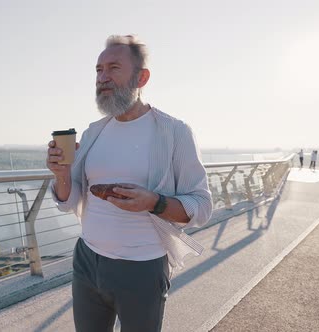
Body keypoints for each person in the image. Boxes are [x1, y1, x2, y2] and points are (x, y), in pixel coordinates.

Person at [46, 35, 212, 332]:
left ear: (141, 77)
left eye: (113, 68)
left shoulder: (173, 132)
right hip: (86, 260)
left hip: (142, 266)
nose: (102, 77)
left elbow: (201, 205)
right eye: (98, 70)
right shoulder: (94, 132)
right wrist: (61, 174)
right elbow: (69, 201)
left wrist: (154, 202)